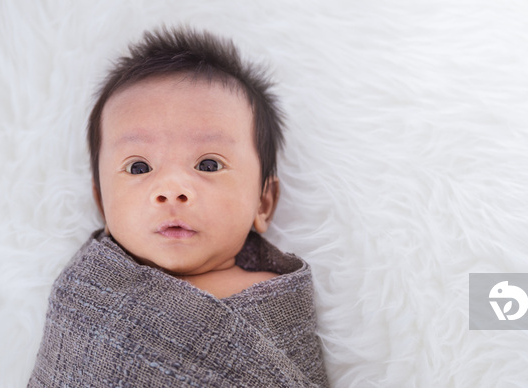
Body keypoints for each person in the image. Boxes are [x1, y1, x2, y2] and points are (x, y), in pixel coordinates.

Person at [28, 26, 328, 387]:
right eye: (139, 167)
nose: (171, 190)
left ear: (263, 203)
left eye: (208, 164)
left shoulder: (275, 299)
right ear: (102, 207)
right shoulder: (87, 297)